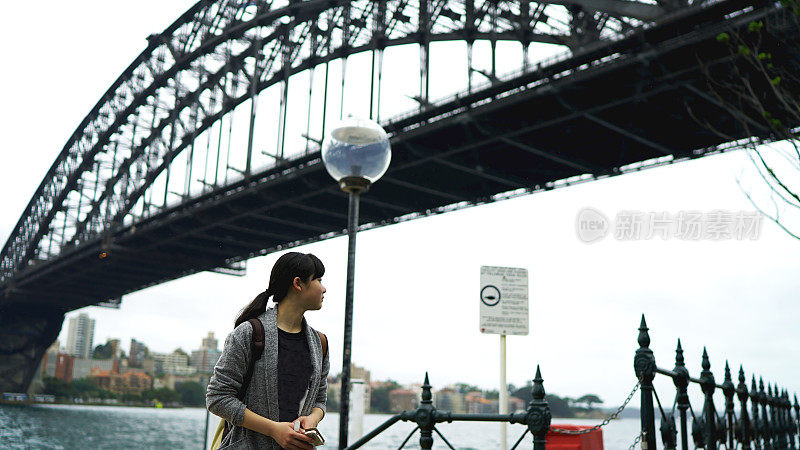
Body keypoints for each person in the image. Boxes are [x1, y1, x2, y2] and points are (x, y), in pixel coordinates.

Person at [207, 252, 330, 450]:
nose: (324, 288)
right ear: (298, 284)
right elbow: (217, 398)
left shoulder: (320, 343)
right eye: (318, 280)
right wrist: (273, 430)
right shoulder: (248, 333)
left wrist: (312, 419)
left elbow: (320, 399)